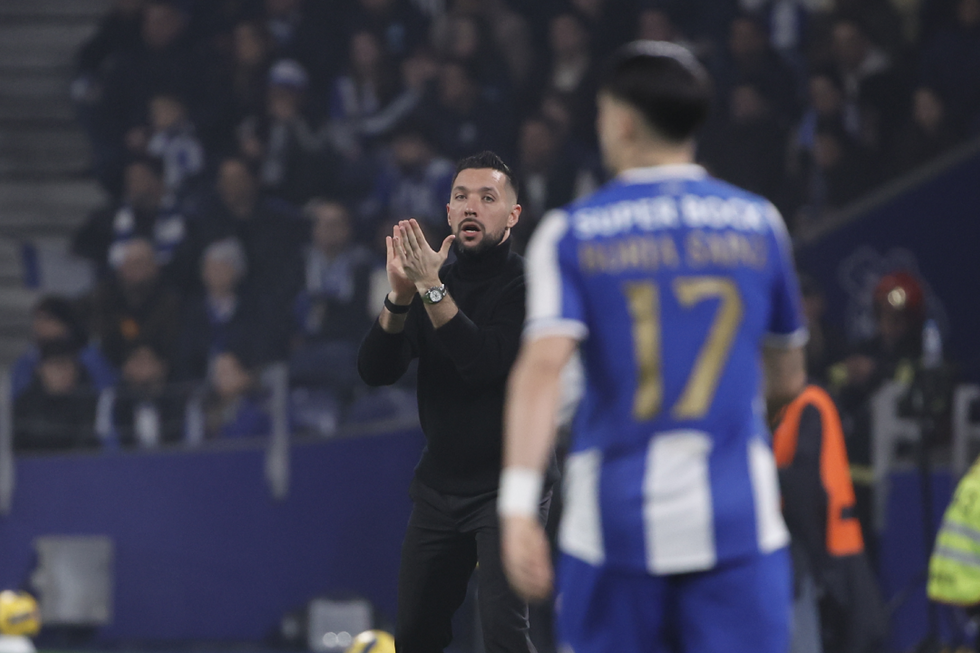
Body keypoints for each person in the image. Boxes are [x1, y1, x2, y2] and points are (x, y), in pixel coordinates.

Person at [499, 41, 808, 653]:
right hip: (738, 522)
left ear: (622, 120)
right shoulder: (759, 224)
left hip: (612, 530)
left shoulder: (572, 233)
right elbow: (788, 379)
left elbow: (539, 374)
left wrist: (515, 508)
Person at [357, 151, 554, 653]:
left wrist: (430, 287)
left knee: (505, 635)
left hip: (508, 488)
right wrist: (400, 295)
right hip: (441, 486)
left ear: (512, 215)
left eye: (488, 198)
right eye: (462, 197)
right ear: (447, 212)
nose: (472, 207)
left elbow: (484, 362)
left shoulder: (528, 285)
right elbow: (375, 371)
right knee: (417, 636)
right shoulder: (432, 281)